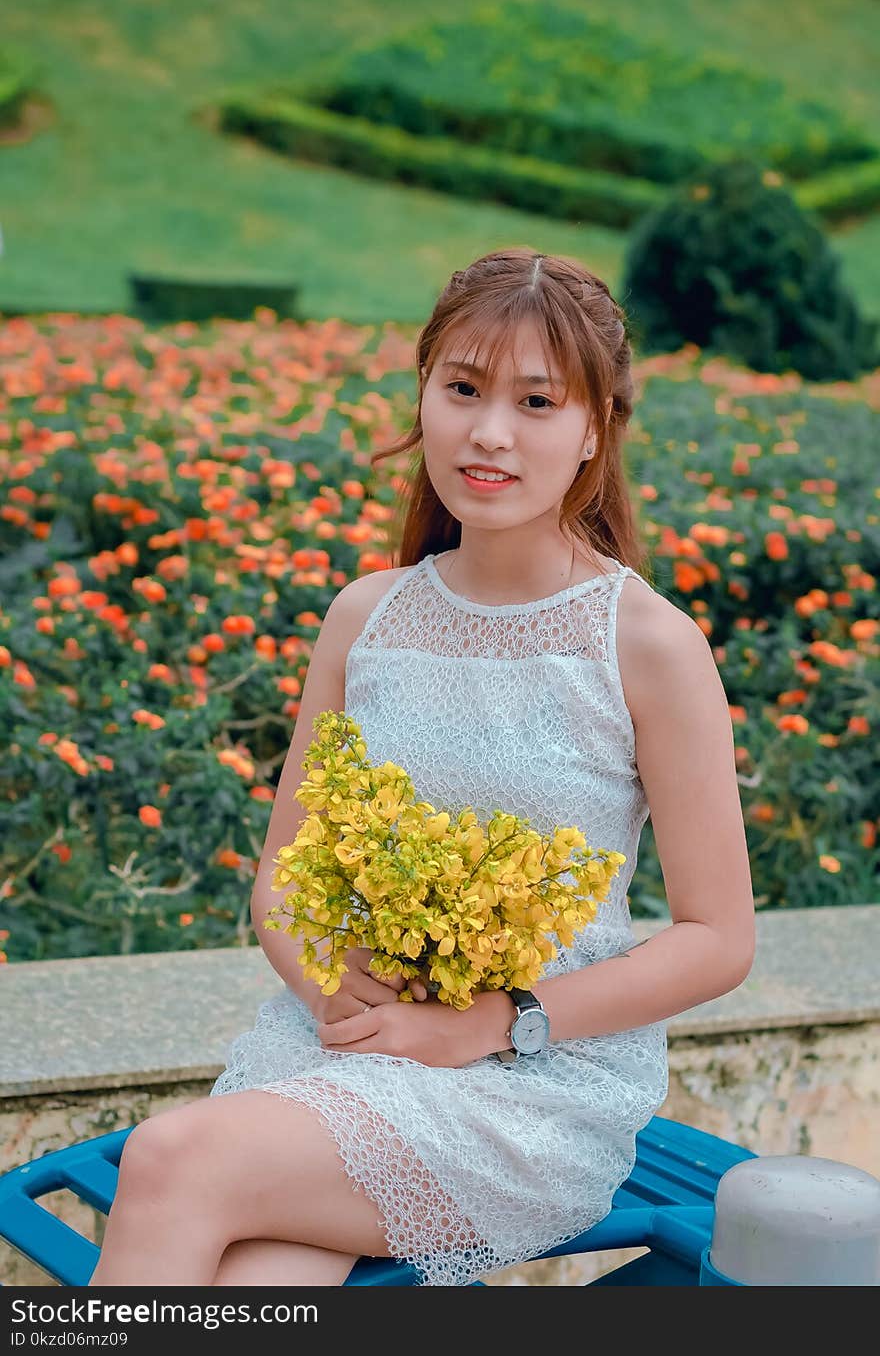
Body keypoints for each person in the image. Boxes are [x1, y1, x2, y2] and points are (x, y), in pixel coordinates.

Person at [88, 247, 755, 1288]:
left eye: (536, 401)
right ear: (424, 396)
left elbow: (719, 940)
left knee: (175, 1159)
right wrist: (329, 989)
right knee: (259, 1280)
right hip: (345, 1045)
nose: (489, 432)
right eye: (463, 389)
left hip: (534, 1084)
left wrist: (498, 1020)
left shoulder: (644, 642)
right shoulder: (367, 615)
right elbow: (282, 880)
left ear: (594, 429)